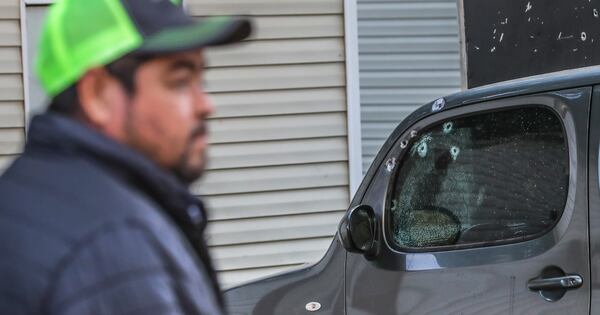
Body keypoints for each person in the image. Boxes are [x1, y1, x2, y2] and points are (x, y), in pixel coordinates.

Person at [0, 0, 251, 314]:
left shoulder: (18, 197)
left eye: (201, 80)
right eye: (180, 82)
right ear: (98, 95)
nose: (205, 105)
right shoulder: (114, 246)